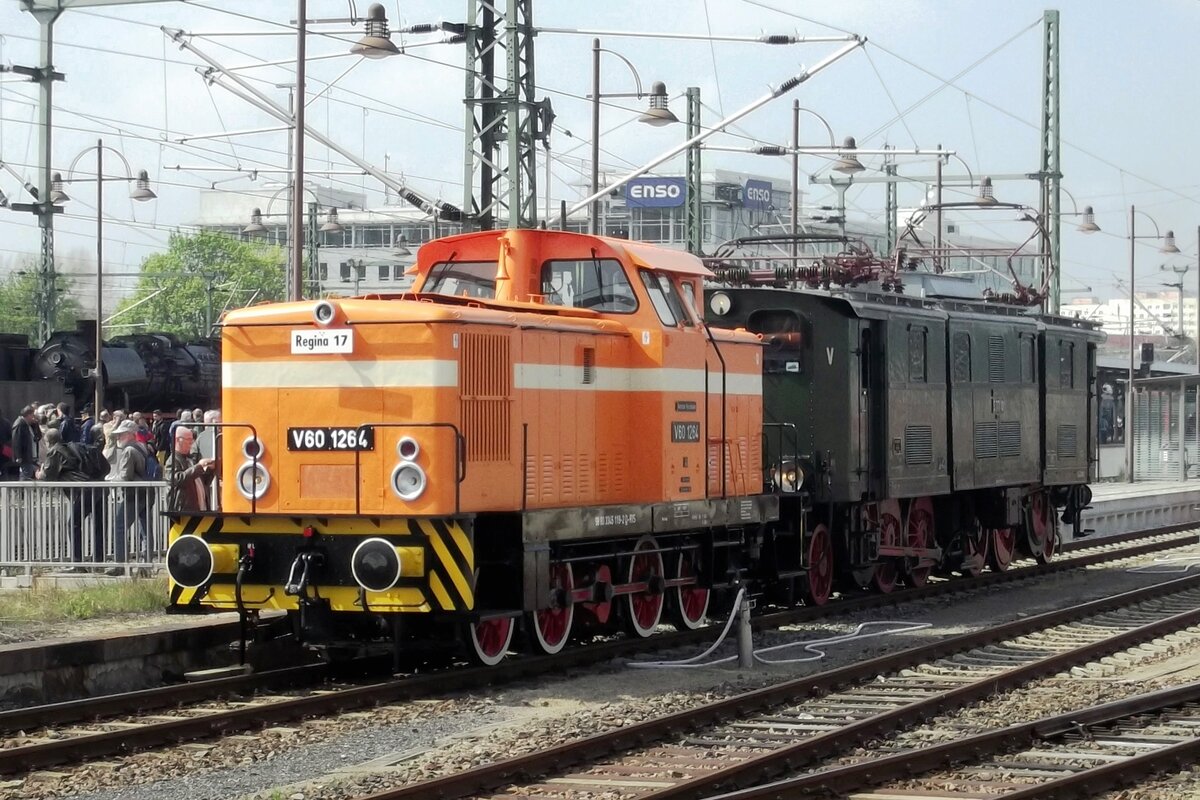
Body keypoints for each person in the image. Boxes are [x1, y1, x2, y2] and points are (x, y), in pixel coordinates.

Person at [36, 427, 93, 569]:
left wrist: (39, 474)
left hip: (80, 490)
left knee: (72, 524)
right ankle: (96, 560)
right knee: (96, 524)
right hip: (90, 487)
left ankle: (77, 563)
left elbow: (49, 475)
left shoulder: (54, 451)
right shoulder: (66, 447)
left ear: (47, 440)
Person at [109, 419, 151, 570]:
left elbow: (125, 476)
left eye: (121, 434)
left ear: (129, 434)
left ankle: (120, 564)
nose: (118, 437)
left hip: (133, 494)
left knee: (119, 526)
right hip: (146, 492)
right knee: (145, 529)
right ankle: (146, 564)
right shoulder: (143, 447)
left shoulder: (128, 451)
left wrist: (111, 479)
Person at [168, 426, 216, 512]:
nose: (191, 443)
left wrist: (210, 470)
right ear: (178, 440)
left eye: (192, 440)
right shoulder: (172, 460)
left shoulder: (190, 459)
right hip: (184, 510)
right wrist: (199, 466)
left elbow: (203, 482)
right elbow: (176, 480)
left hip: (200, 508)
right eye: (189, 440)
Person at [11, 405, 38, 481]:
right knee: (26, 475)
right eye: (32, 415)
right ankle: (22, 492)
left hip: (28, 456)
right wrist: (18, 455)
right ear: (28, 415)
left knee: (27, 474)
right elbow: (16, 441)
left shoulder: (28, 424)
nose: (33, 417)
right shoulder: (20, 424)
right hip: (24, 456)